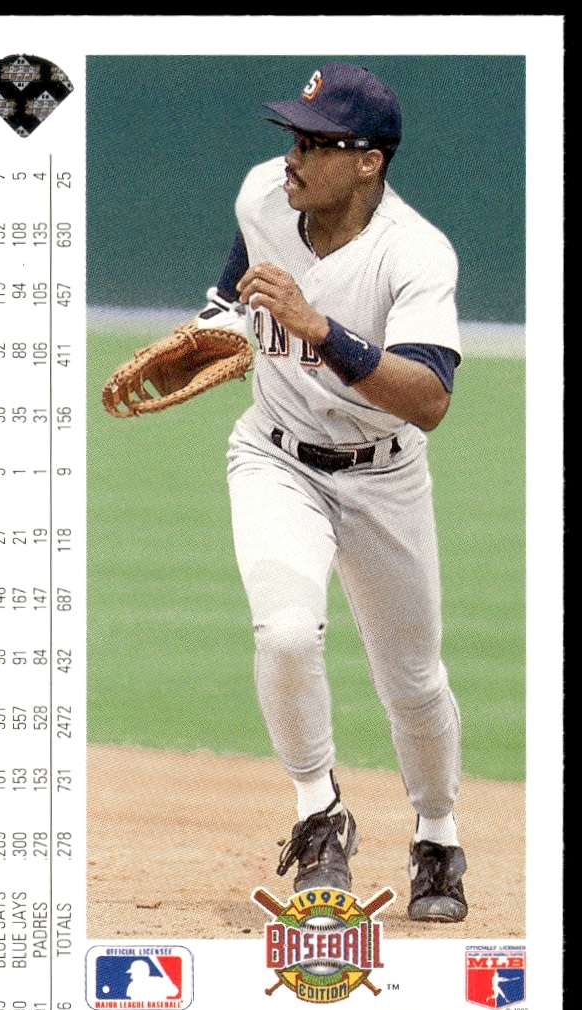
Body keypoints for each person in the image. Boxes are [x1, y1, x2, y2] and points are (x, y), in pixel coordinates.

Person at [197, 61, 468, 922]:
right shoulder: (262, 195)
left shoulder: (415, 253)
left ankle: (437, 834)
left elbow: (429, 400)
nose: (295, 156)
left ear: (368, 162)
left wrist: (319, 330)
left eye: (318, 143)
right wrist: (212, 322)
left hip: (385, 475)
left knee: (412, 680)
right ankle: (320, 816)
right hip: (275, 458)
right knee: (284, 634)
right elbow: (237, 278)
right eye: (294, 136)